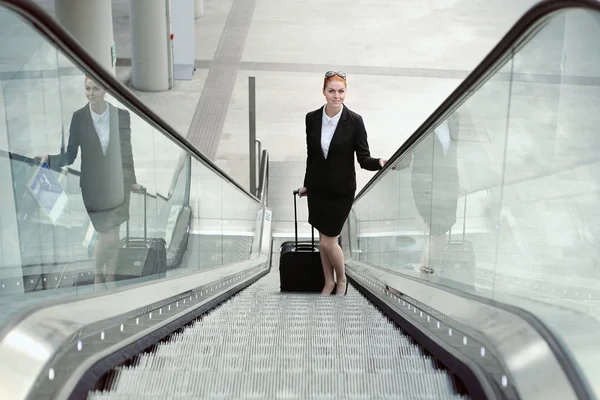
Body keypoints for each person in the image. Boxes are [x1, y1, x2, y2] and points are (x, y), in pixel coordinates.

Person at [39, 75, 140, 284]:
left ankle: (110, 276)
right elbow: (70, 156)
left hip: (119, 186)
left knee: (115, 235)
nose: (91, 94)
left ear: (105, 91)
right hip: (94, 189)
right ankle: (97, 275)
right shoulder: (79, 118)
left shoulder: (121, 116)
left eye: (96, 89)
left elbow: (127, 153)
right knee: (108, 236)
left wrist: (132, 182)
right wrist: (49, 159)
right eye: (87, 89)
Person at [298, 71, 387, 295]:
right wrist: (307, 184)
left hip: (341, 191)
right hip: (318, 189)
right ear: (323, 92)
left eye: (341, 91)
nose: (336, 96)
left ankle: (342, 280)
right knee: (323, 240)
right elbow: (312, 155)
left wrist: (380, 162)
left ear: (345, 92)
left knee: (329, 242)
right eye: (332, 91)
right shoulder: (312, 118)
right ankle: (328, 281)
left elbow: (363, 159)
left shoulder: (355, 121)